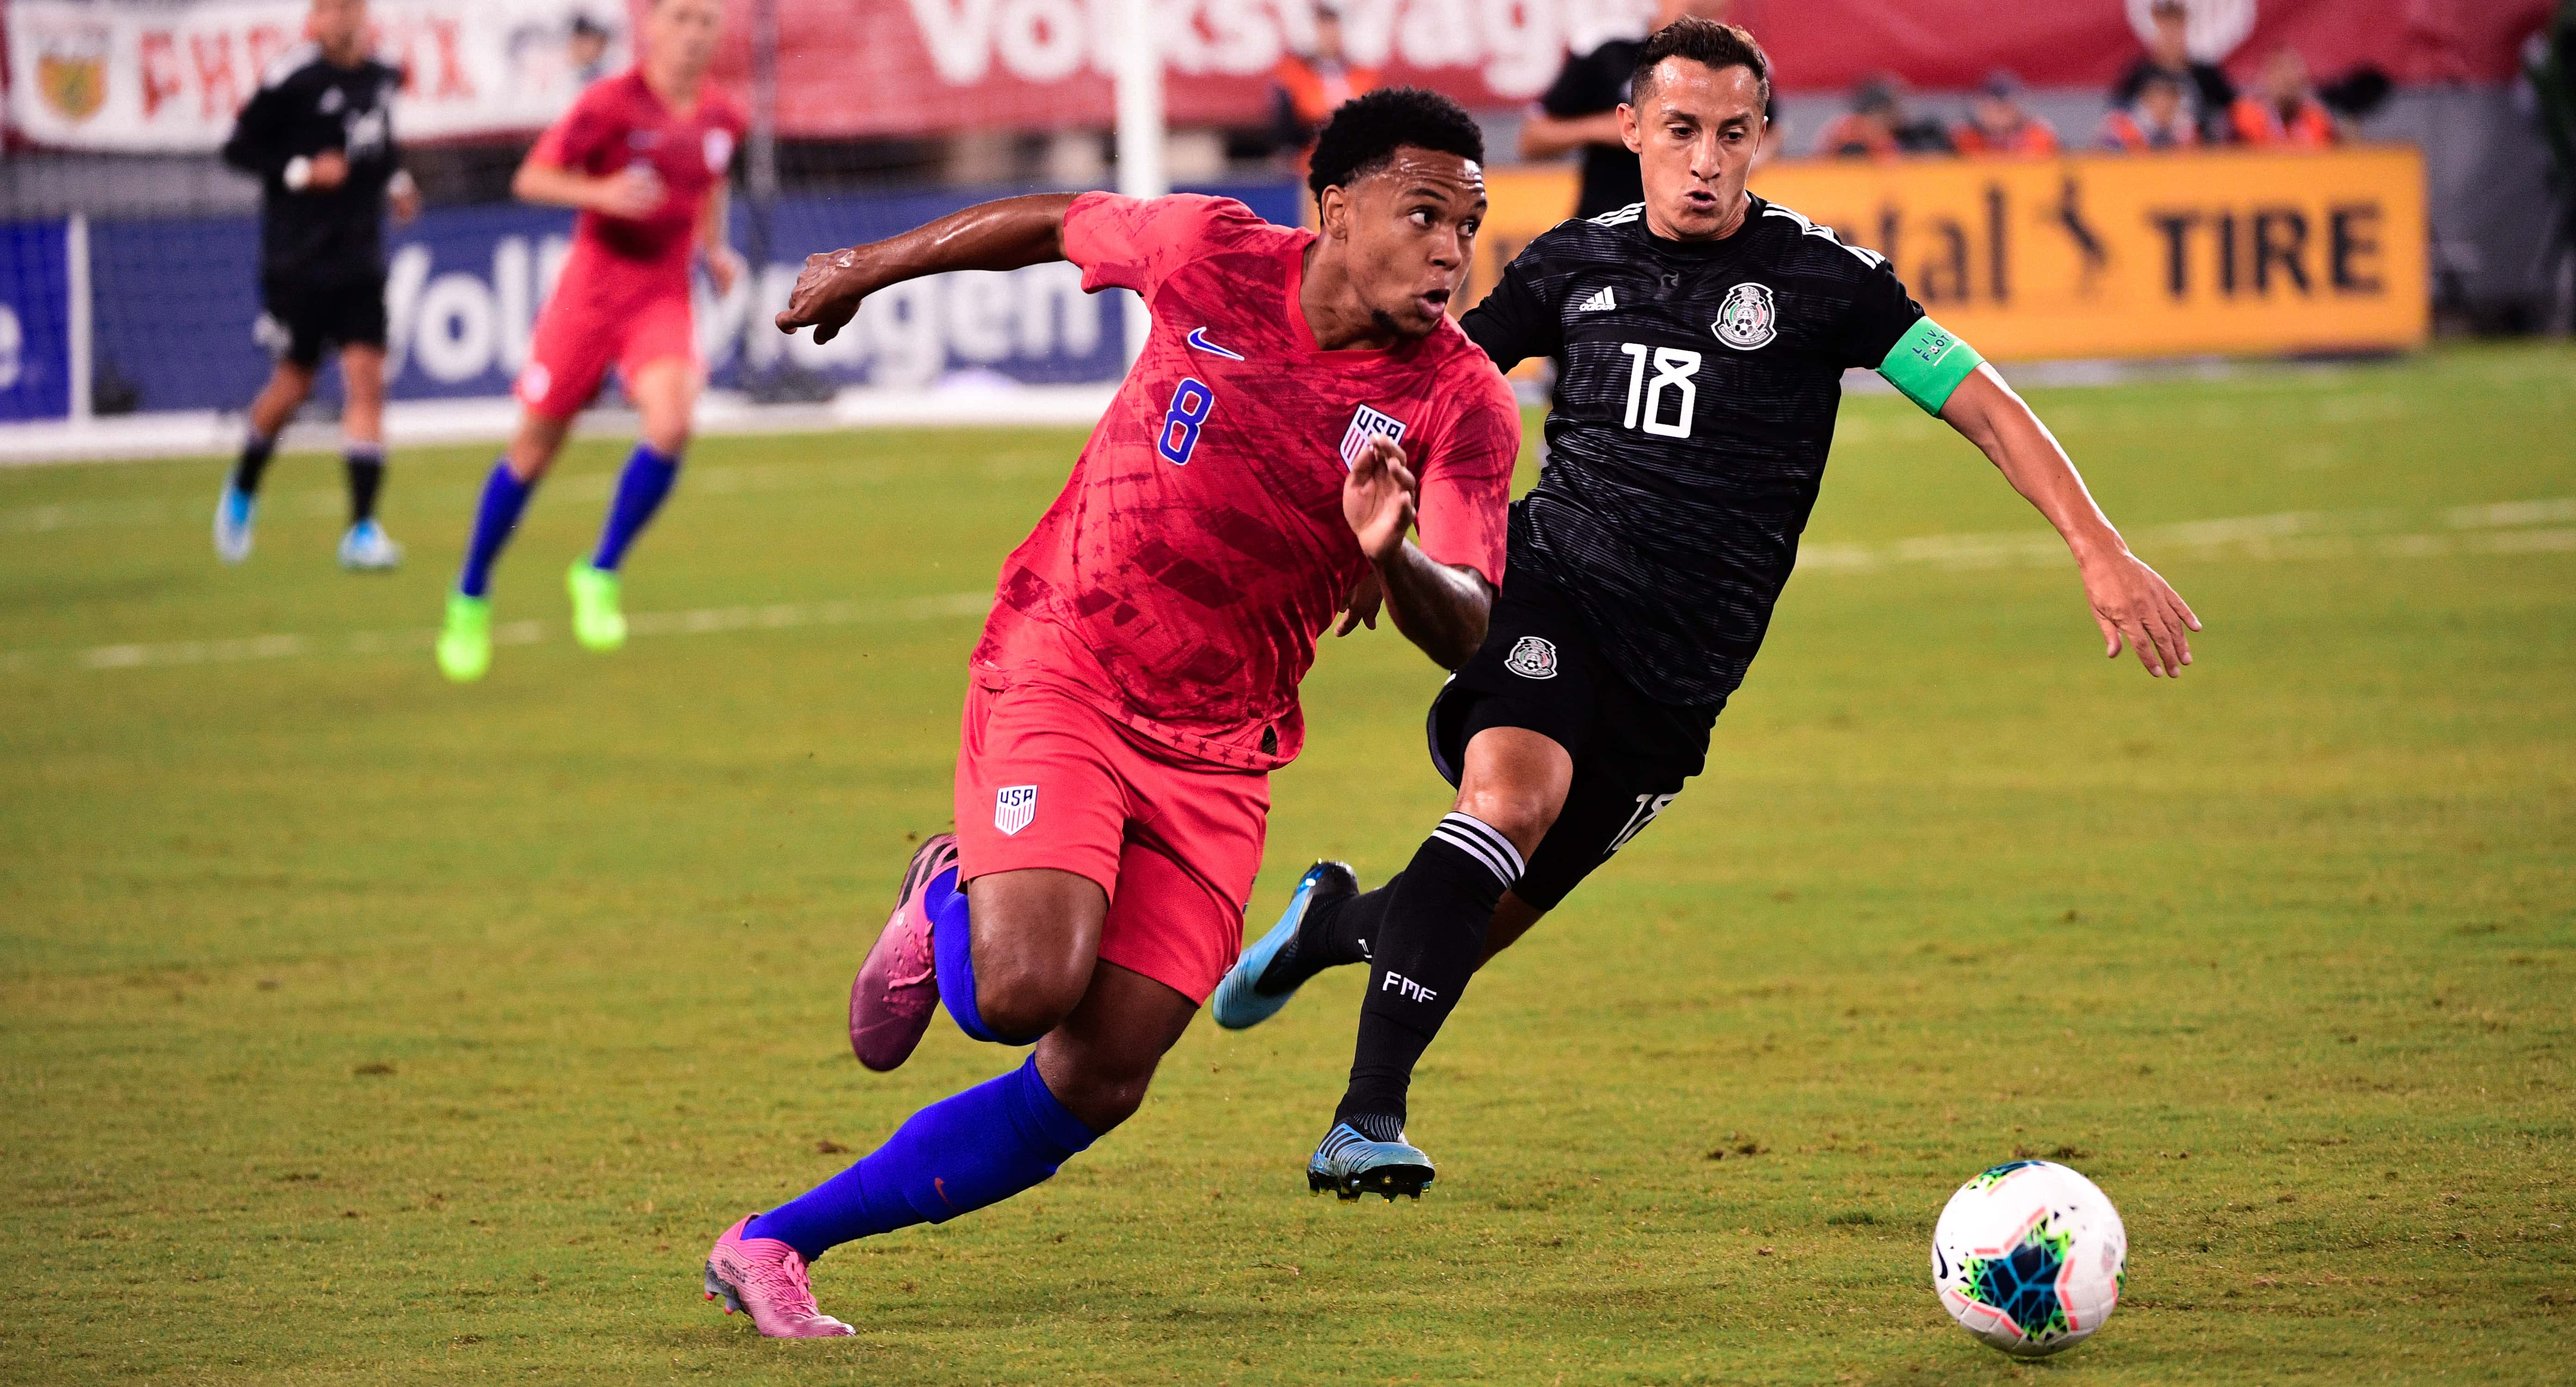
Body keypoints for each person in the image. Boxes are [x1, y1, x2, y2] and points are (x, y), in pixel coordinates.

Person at [1208, 19, 2204, 1201]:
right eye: (1679, 131)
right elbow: (1430, 386)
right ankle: (1365, 1121)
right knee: (1507, 800)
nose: (1705, 160)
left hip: (1682, 676)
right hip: (1551, 588)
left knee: (1473, 913)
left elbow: (1979, 400)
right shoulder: (1570, 265)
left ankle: (1328, 927)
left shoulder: (1825, 281)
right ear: (1631, 130)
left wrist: (2097, 548)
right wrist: (1379, 535)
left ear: (1762, 139)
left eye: (1732, 134)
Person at [696, 88, 1522, 1336]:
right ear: (1333, 203)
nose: (1454, 250)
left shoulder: (1462, 401)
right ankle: (943, 893)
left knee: (1102, 1073)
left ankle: (771, 1241)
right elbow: (1054, 222)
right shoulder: (1211, 255)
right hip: (1068, 661)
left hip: (1225, 744)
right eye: (1424, 215)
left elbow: (1467, 625)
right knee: (1025, 986)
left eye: (1468, 222)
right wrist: (870, 265)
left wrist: (1392, 550)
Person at [433, 0, 745, 683]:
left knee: (672, 422)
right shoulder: (610, 103)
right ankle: (472, 592)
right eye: (682, 19)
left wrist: (715, 249)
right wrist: (600, 192)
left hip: (661, 296)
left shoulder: (723, 116)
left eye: (706, 23)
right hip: (591, 295)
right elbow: (532, 176)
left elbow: (712, 182)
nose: (694, 35)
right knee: (534, 451)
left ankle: (599, 569)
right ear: (653, 27)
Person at [213, 0, 419, 571]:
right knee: (293, 385)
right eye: (328, 9)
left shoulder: (381, 76)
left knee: (367, 383)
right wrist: (302, 171)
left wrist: (398, 182)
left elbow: (379, 148)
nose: (337, 17)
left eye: (347, 7)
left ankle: (361, 531)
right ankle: (244, 486)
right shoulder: (291, 78)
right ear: (316, 21)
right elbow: (237, 148)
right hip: (298, 262)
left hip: (360, 260)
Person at [1520, 0, 1754, 220]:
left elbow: (1770, 130)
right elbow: (1532, 139)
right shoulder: (1607, 49)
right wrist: (1606, 128)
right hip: (1608, 225)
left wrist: (1739, 164)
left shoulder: (1739, 65)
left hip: (1699, 226)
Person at [2111, 0, 2235, 144]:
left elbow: (2234, 110)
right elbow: (2117, 115)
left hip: (2199, 156)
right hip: (2147, 157)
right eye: (2165, 27)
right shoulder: (2138, 74)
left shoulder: (2206, 75)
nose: (2171, 35)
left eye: (2176, 27)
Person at [1271, 6, 1381, 168]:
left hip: (1358, 163)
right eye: (1323, 31)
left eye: (1333, 30)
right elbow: (1292, 128)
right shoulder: (1293, 76)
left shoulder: (1364, 76)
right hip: (1310, 164)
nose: (1329, 38)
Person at [1815, 74, 1951, 159]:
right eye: (1896, 107)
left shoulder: (1898, 135)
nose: (1902, 113)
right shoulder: (1850, 134)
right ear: (1879, 112)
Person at [2229, 47, 2340, 148]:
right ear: (2265, 76)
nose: (2287, 79)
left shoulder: (2317, 120)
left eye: (2293, 70)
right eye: (2280, 70)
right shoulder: (2247, 116)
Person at [1950, 70, 2060, 157]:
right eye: (1993, 108)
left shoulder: (2038, 135)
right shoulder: (1966, 137)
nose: (2000, 117)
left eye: (2006, 108)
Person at [2099, 68, 2200, 151]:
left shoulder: (2185, 126)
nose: (2164, 103)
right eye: (2157, 95)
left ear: (2177, 101)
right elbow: (2099, 158)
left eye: (2169, 96)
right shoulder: (2122, 125)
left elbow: (2195, 160)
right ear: (2145, 98)